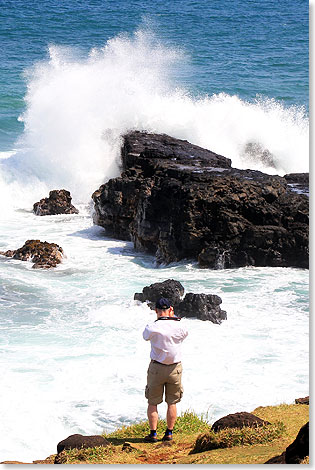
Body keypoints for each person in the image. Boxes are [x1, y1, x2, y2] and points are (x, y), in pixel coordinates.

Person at [142, 297, 188, 442]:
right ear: (170, 309)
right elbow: (184, 334)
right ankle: (169, 433)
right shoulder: (179, 325)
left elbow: (145, 337)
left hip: (157, 367)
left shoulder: (152, 327)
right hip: (174, 368)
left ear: (156, 311)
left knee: (152, 402)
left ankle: (153, 434)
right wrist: (172, 317)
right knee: (172, 402)